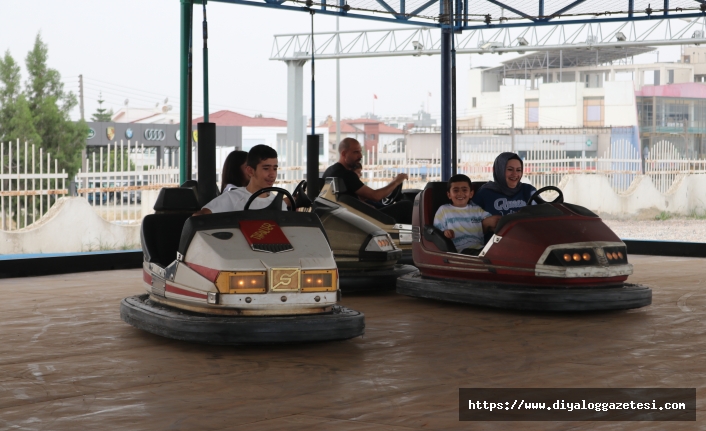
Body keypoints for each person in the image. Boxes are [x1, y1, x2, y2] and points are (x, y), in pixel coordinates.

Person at [322, 138, 413, 223]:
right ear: (344, 154)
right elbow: (376, 196)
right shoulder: (346, 175)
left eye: (360, 152)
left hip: (351, 216)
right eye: (356, 152)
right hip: (360, 220)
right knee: (406, 206)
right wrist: (396, 181)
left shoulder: (331, 170)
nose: (360, 156)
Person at [194, 145, 287, 215]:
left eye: (275, 168)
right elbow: (198, 217)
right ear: (250, 171)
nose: (272, 174)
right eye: (266, 168)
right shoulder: (232, 198)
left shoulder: (279, 204)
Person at [434, 174, 498, 255]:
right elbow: (437, 233)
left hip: (481, 248)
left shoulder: (477, 209)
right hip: (460, 251)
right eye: (456, 190)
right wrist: (445, 233)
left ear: (471, 194)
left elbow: (492, 220)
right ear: (449, 195)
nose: (460, 193)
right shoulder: (444, 210)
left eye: (464, 190)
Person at [472, 152, 537, 231]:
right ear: (499, 170)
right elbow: (467, 225)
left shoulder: (529, 190)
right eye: (510, 169)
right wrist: (486, 223)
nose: (515, 174)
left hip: (526, 240)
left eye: (518, 170)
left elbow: (542, 217)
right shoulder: (484, 193)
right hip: (496, 242)